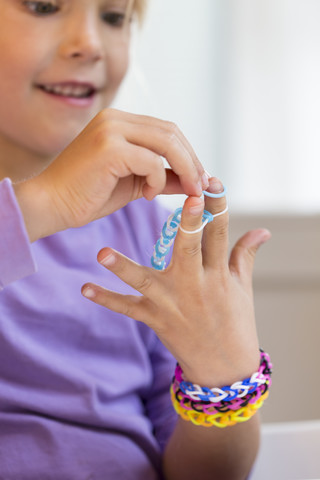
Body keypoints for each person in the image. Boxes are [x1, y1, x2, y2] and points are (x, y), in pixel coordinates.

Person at [0, 1, 272, 479]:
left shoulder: (149, 234)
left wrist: (221, 376)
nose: (89, 44)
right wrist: (44, 204)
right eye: (43, 5)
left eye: (113, 17)